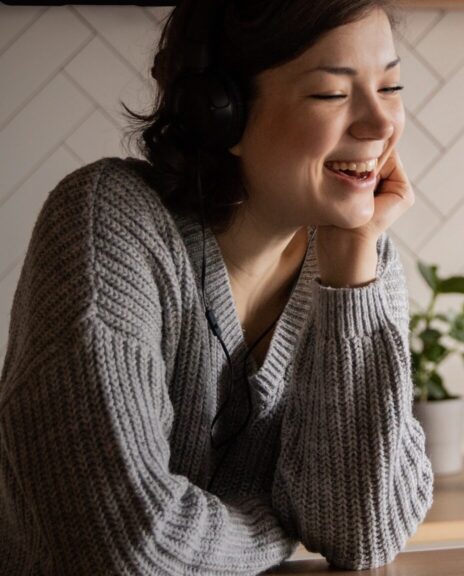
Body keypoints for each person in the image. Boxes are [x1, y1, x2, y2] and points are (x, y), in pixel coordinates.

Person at [0, 0, 433, 573]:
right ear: (219, 114)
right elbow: (129, 552)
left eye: (391, 86)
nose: (381, 125)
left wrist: (352, 268)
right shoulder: (105, 221)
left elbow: (363, 533)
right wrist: (276, 526)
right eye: (332, 94)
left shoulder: (362, 255)